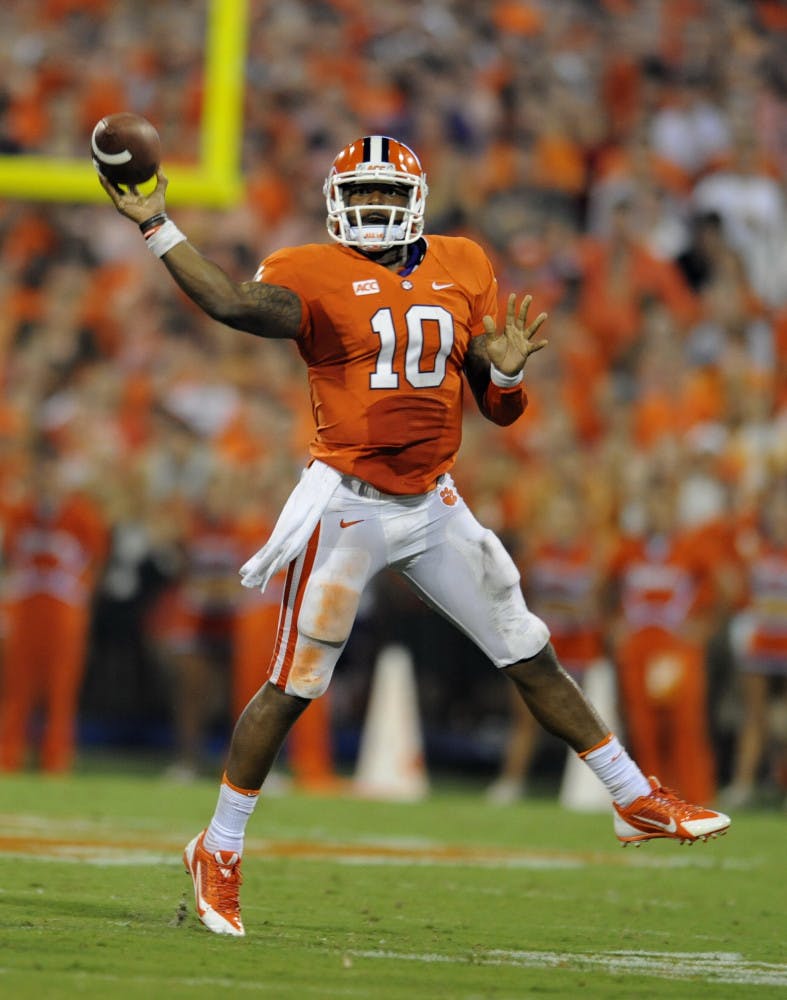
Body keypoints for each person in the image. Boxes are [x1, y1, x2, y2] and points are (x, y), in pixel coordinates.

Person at [98, 135, 731, 937]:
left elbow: (497, 410)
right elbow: (230, 304)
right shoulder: (310, 269)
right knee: (293, 684)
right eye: (357, 197)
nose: (369, 211)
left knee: (525, 646)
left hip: (433, 499)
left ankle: (631, 795)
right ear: (336, 203)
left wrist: (502, 375)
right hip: (348, 503)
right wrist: (157, 224)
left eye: (383, 198)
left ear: (414, 202)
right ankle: (217, 848)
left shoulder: (465, 264)